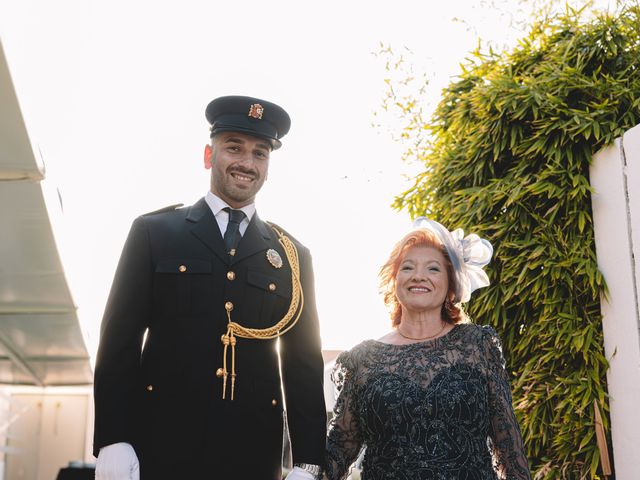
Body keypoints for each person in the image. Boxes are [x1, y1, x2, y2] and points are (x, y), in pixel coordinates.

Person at [93, 96, 326, 480]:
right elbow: (120, 339)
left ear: (268, 167)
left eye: (260, 153)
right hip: (161, 444)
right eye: (234, 147)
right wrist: (113, 438)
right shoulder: (155, 232)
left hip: (252, 454)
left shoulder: (291, 254)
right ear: (208, 154)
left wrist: (307, 463)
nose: (246, 163)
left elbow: (302, 363)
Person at [325, 218, 531, 479]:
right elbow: (338, 451)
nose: (418, 276)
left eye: (433, 269)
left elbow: (510, 449)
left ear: (451, 286)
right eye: (407, 267)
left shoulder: (478, 345)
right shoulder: (362, 360)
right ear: (395, 280)